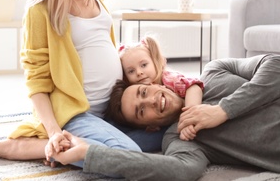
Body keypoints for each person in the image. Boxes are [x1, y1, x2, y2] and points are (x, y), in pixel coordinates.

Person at [0, 0, 165, 168]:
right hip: (76, 113)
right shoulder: (41, 10)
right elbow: (36, 79)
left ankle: (76, 146)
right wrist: (54, 130)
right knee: (128, 156)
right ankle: (40, 146)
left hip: (110, 108)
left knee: (166, 131)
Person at [50, 54, 280, 180]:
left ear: (150, 83)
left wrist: (223, 111)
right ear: (149, 127)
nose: (150, 100)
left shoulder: (214, 71)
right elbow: (181, 170)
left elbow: (275, 64)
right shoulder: (179, 138)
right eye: (142, 111)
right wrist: (87, 153)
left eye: (143, 92)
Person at [111, 35, 203, 140]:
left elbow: (193, 87)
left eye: (144, 65)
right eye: (131, 71)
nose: (139, 73)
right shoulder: (130, 95)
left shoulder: (169, 78)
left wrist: (189, 117)